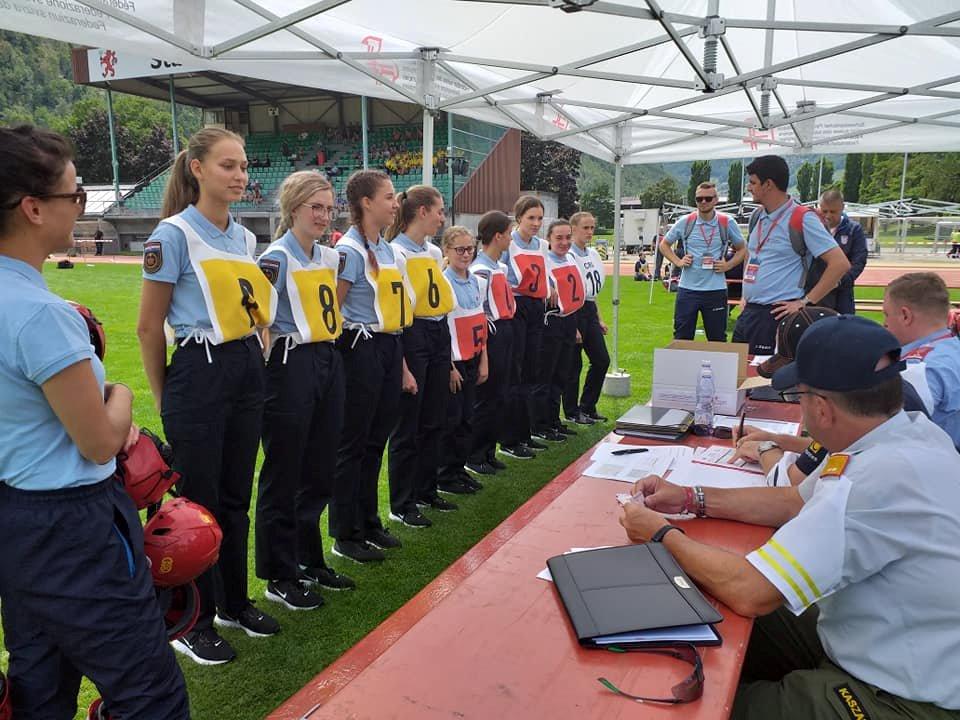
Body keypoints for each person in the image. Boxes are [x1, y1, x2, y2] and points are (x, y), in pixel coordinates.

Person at [621, 315, 960, 719]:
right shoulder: (907, 433)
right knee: (702, 600)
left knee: (696, 708)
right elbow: (794, 501)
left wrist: (661, 535)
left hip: (902, 698)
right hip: (881, 642)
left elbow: (750, 590)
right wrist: (691, 497)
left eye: (800, 398)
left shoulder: (874, 478)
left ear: (821, 408)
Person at [0, 125, 188, 719]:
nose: (79, 207)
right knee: (149, 693)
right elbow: (99, 440)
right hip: (72, 524)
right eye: (74, 195)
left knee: (39, 681)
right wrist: (123, 391)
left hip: (17, 519)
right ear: (33, 207)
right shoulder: (40, 314)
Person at [137, 127, 279, 665]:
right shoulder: (172, 235)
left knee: (236, 494)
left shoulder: (243, 239)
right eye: (228, 165)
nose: (240, 175)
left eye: (243, 166)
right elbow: (150, 327)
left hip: (244, 365)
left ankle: (234, 603)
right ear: (196, 168)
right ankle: (192, 620)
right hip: (198, 370)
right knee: (198, 504)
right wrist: (163, 395)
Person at [254, 172, 354, 615]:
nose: (323, 214)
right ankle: (279, 573)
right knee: (285, 469)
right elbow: (258, 320)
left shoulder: (329, 257)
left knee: (320, 466)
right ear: (293, 207)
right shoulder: (276, 257)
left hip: (327, 359)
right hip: (291, 362)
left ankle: (309, 558)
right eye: (315, 206)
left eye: (328, 207)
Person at [329, 169, 410, 563]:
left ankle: (368, 520)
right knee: (353, 442)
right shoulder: (349, 250)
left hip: (388, 345)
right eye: (389, 196)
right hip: (359, 347)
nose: (396, 203)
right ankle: (345, 532)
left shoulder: (388, 248)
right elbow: (333, 309)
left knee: (376, 438)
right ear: (366, 203)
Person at [385, 185, 459, 528]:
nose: (443, 217)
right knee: (408, 423)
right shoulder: (396, 252)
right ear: (422, 212)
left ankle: (427, 488)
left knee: (434, 416)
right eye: (439, 211)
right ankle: (402, 502)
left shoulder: (430, 252)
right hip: (413, 333)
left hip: (437, 330)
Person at [732, 155, 850, 354]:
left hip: (776, 314)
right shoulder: (757, 216)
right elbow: (751, 255)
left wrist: (804, 302)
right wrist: (746, 295)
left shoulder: (802, 218)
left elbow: (840, 264)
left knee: (765, 381)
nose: (748, 188)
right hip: (749, 312)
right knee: (737, 376)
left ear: (768, 184)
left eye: (752, 182)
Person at [659, 182, 747, 342]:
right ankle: (683, 368)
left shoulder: (726, 222)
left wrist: (728, 265)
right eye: (699, 199)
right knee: (681, 338)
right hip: (688, 290)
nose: (703, 202)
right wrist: (678, 262)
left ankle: (716, 368)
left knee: (717, 339)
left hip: (715, 290)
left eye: (708, 198)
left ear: (716, 200)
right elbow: (664, 244)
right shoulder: (686, 221)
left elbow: (742, 249)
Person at [883, 272, 960, 449]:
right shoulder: (951, 349)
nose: (884, 324)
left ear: (905, 316)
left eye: (887, 315)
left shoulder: (920, 368)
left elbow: (889, 434)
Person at [437, 226, 489, 490]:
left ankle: (458, 469)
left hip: (473, 356)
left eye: (470, 249)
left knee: (468, 418)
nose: (466, 254)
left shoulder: (477, 281)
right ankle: (445, 474)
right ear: (446, 250)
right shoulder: (442, 283)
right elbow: (441, 329)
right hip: (454, 362)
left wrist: (483, 359)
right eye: (460, 249)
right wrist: (448, 367)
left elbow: (480, 321)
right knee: (452, 420)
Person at [500, 196, 550, 459]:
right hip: (516, 308)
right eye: (531, 218)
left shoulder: (541, 245)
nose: (536, 223)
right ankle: (509, 439)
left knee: (531, 371)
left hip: (536, 309)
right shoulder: (510, 244)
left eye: (540, 218)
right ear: (518, 218)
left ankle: (525, 433)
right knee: (515, 374)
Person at [467, 210, 516, 475]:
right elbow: (480, 309)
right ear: (497, 236)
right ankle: (475, 454)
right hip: (493, 333)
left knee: (500, 396)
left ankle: (488, 450)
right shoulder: (481, 269)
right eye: (508, 234)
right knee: (487, 398)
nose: (511, 239)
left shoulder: (499, 266)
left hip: (506, 330)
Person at [532, 219, 585, 442]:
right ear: (549, 239)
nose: (564, 243)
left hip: (568, 320)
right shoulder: (544, 261)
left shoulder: (571, 257)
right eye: (558, 238)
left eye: (567, 237)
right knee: (546, 375)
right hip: (551, 322)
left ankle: (554, 420)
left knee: (562, 374)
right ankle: (540, 424)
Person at [564, 211, 610, 424]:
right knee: (573, 365)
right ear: (573, 229)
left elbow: (591, 293)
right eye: (585, 228)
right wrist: (572, 325)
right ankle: (572, 412)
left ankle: (588, 406)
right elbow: (570, 291)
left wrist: (598, 317)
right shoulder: (568, 256)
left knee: (601, 360)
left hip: (589, 309)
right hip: (573, 312)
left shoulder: (593, 254)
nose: (590, 232)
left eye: (592, 227)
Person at [805, 189, 867, 314]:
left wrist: (839, 281)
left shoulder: (853, 230)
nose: (828, 216)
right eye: (824, 211)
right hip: (815, 291)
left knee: (842, 329)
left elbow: (859, 261)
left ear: (842, 208)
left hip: (842, 293)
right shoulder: (811, 228)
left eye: (833, 211)